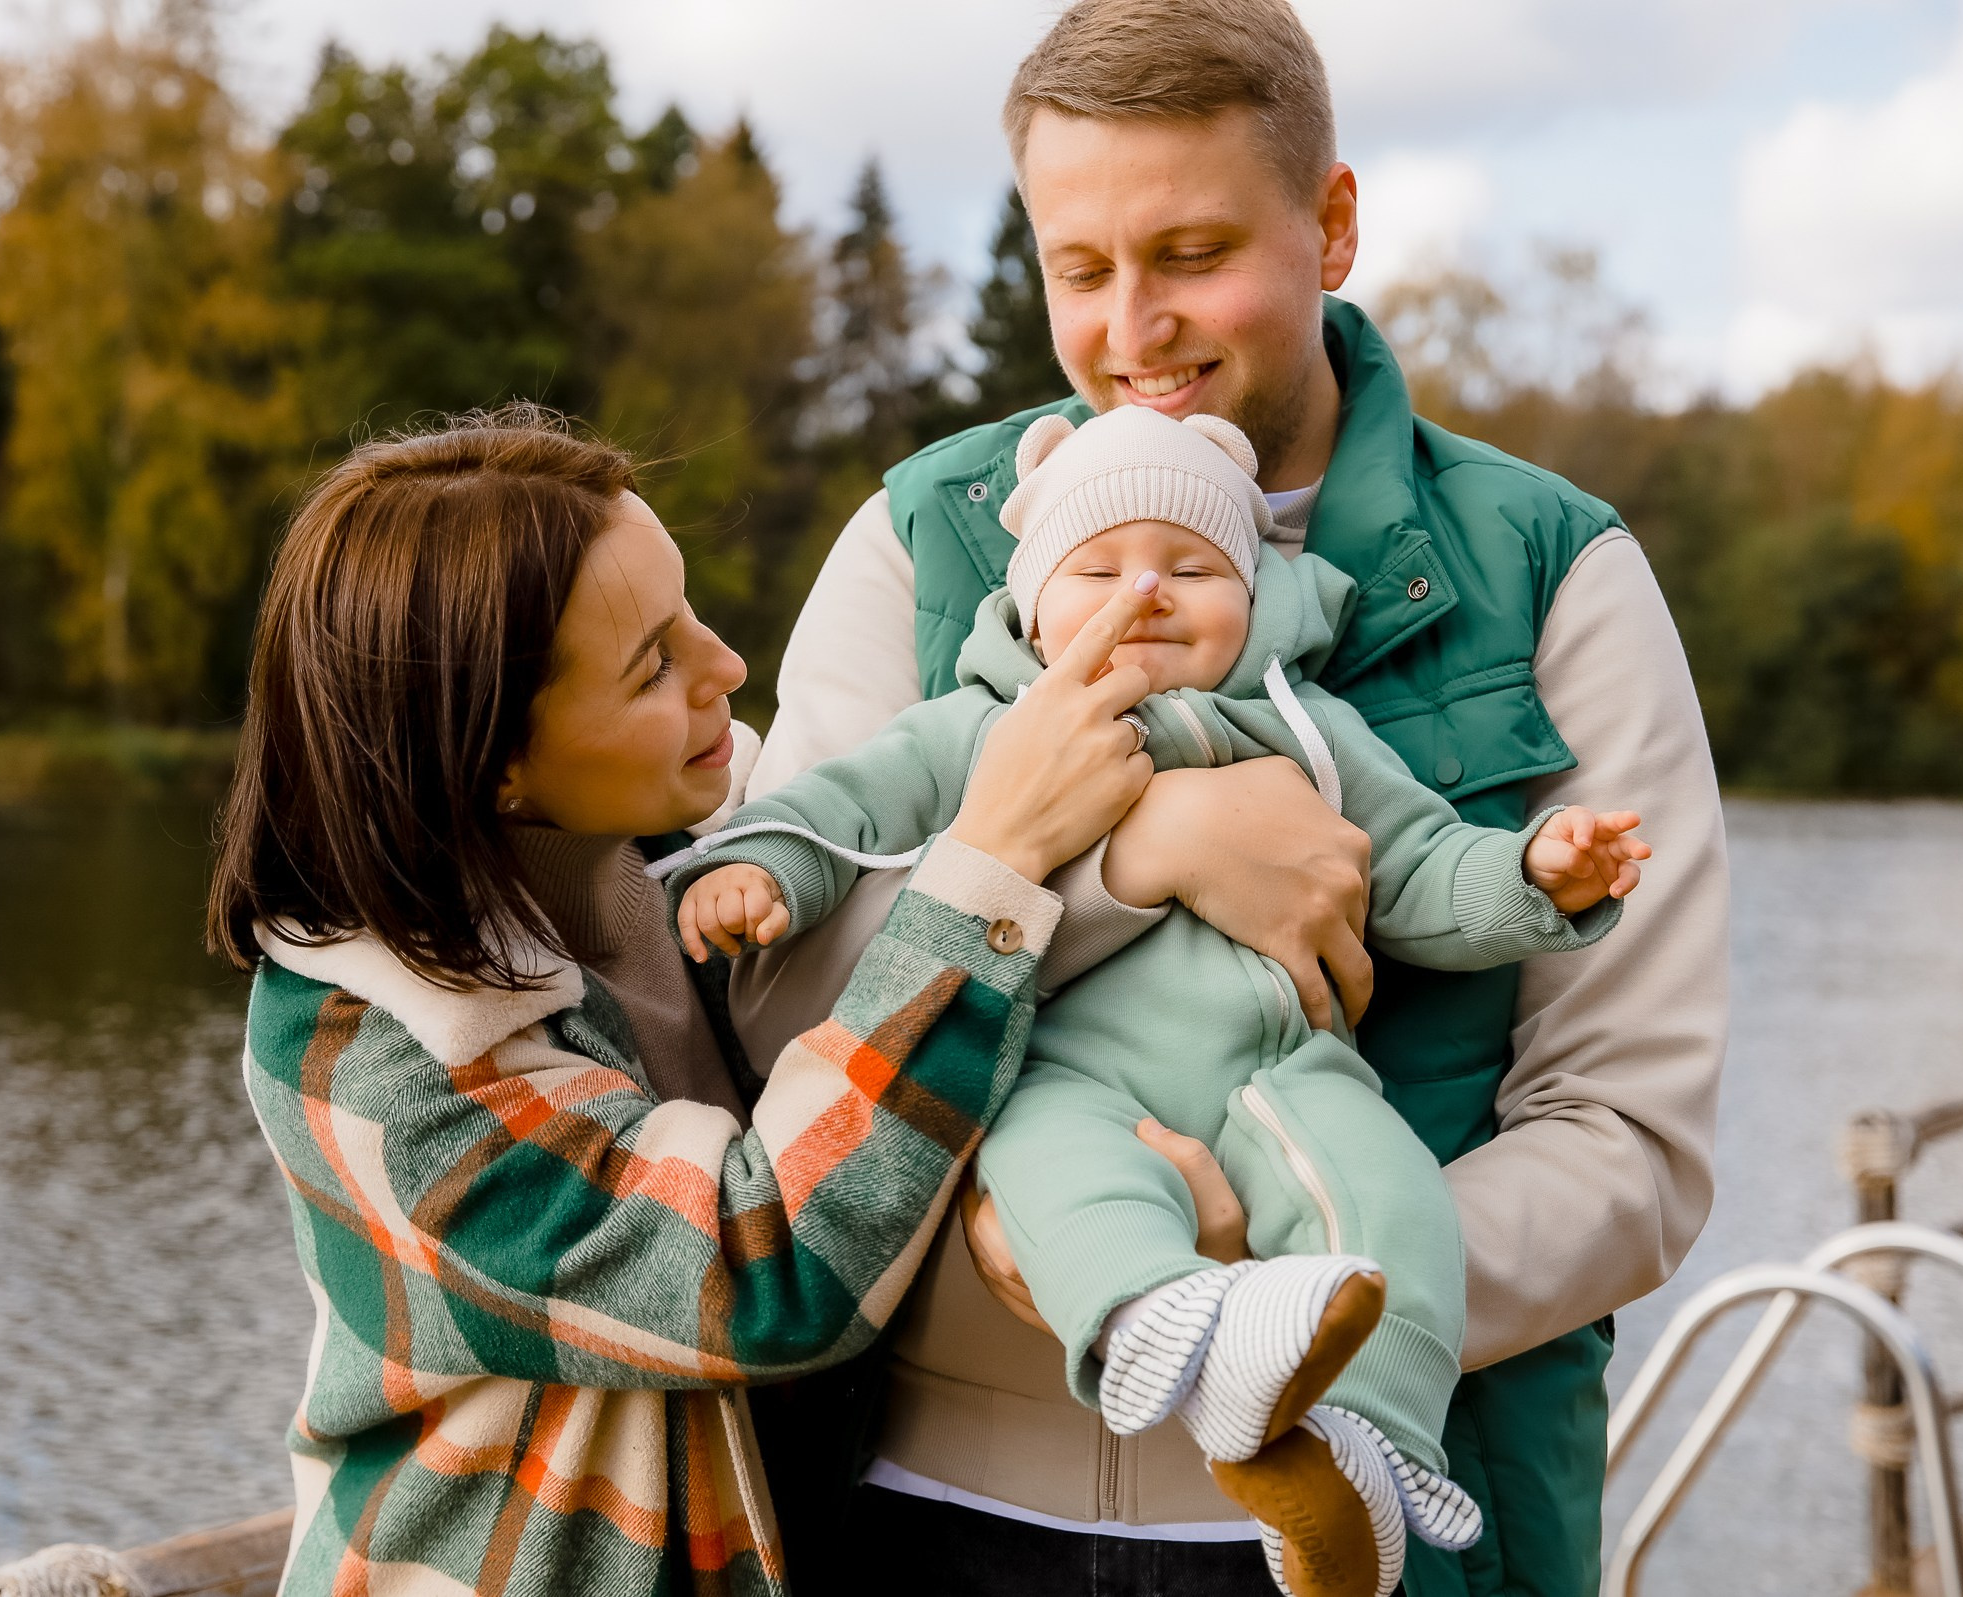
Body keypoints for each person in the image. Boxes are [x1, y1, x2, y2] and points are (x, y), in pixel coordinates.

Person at [731, 2, 1731, 1593]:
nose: (1135, 329)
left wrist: (1274, 1291)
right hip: (931, 1515)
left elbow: (1628, 1143)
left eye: (1191, 254)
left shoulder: (1554, 575)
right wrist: (1141, 858)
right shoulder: (919, 542)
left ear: (1330, 224)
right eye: (1080, 268)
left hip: (1385, 1529)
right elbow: (773, 1009)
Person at [671, 404, 1648, 1597]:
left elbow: (1419, 872)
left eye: (1193, 566)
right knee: (1058, 1185)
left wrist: (1535, 872)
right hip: (1060, 1073)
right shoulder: (980, 729)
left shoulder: (1312, 738)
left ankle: (1369, 1459)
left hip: (1285, 1073)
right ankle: (1152, 1330)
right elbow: (844, 816)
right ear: (1033, 602)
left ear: (1254, 594)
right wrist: (758, 869)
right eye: (1098, 567)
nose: (1147, 592)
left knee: (1392, 1212)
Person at [202, 409, 1178, 1597]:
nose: (725, 666)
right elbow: (765, 1273)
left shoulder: (679, 853)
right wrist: (999, 858)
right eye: (653, 663)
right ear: (494, 761)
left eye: (692, 613)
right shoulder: (379, 1057)